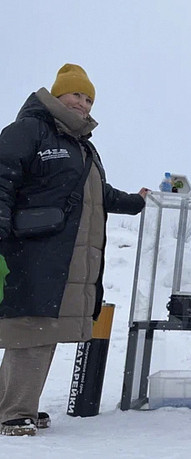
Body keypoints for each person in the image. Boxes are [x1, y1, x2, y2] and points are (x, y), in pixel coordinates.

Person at [0, 64, 149, 436]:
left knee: (44, 328)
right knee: (29, 329)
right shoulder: (30, 130)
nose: (82, 103)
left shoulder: (81, 146)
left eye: (88, 98)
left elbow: (99, 193)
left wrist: (135, 201)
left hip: (60, 255)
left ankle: (21, 405)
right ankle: (12, 411)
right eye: (76, 95)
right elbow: (2, 178)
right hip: (31, 250)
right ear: (56, 95)